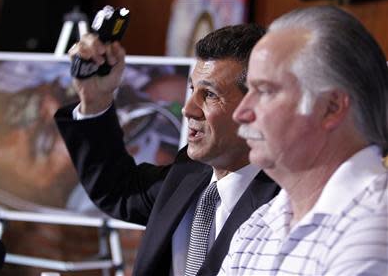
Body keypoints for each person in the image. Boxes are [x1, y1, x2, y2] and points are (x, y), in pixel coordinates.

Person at [55, 24, 280, 276]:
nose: (188, 109)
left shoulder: (285, 202)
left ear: (256, 107)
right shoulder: (188, 172)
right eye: (192, 89)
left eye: (210, 94)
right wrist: (94, 99)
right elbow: (117, 189)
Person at [220, 6, 388, 275]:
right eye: (248, 89)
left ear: (331, 108)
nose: (241, 113)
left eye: (265, 91)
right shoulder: (257, 226)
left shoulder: (376, 224)